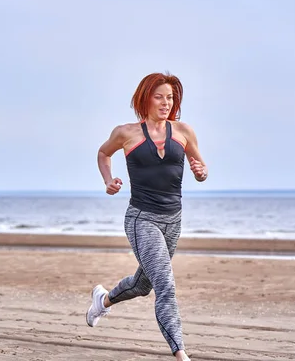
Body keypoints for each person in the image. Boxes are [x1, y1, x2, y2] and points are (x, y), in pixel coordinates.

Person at [86, 72, 208, 361]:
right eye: (159, 96)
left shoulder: (184, 132)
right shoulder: (126, 133)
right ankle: (180, 354)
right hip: (142, 219)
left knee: (143, 285)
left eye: (170, 97)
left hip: (173, 220)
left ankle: (102, 300)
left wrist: (201, 173)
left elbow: (200, 166)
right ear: (145, 98)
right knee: (165, 285)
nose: (166, 102)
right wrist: (108, 180)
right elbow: (104, 153)